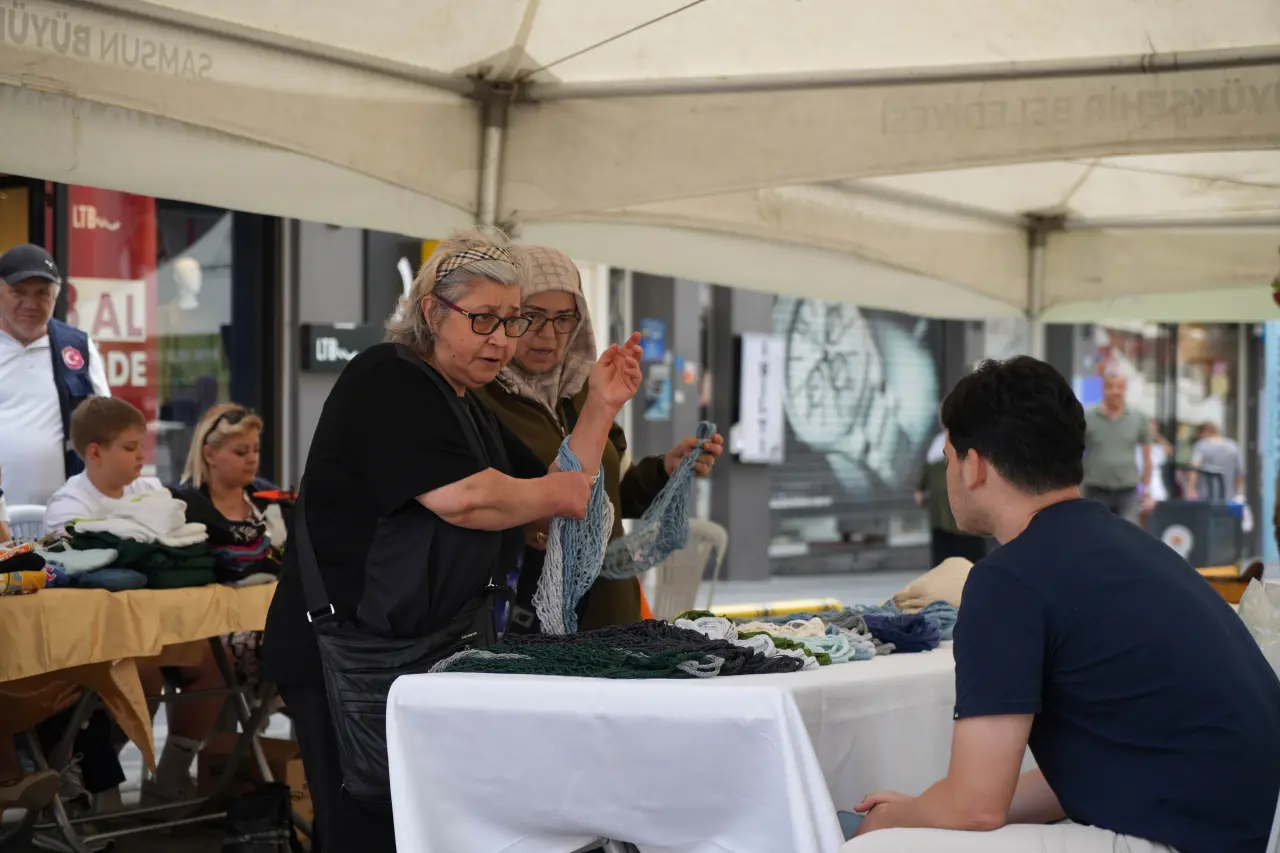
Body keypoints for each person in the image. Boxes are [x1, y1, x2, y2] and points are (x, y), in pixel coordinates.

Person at [260, 228, 642, 852]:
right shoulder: (388, 376)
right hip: (349, 654)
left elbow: (547, 495)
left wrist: (600, 406)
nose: (503, 339)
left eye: (512, 320)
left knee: (427, 827)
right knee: (369, 828)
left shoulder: (468, 402)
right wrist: (562, 495)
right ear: (433, 311)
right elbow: (467, 499)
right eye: (484, 319)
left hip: (426, 651)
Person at [845, 356, 1280, 853]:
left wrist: (897, 818)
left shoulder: (1008, 580)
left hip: (1190, 838)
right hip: (1241, 826)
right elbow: (1097, 765)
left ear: (975, 465)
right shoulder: (1136, 548)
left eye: (948, 458)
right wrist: (925, 807)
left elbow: (975, 808)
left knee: (871, 845)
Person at [475, 244, 723, 632]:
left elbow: (616, 495)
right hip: (530, 618)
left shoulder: (584, 392)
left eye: (563, 318)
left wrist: (665, 469)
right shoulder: (480, 398)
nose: (547, 335)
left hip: (611, 608)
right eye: (532, 316)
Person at [0, 243, 110, 506]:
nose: (30, 304)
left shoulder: (78, 347)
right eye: (18, 292)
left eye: (42, 293)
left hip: (64, 515)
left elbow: (106, 425)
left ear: (56, 296)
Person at [43, 397, 165, 537]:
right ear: (95, 453)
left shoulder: (151, 490)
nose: (142, 455)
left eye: (142, 445)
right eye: (130, 447)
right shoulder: (67, 509)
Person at [1081, 372, 1151, 522]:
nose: (1115, 391)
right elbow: (1075, 453)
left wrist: (1147, 489)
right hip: (1095, 488)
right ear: (1103, 389)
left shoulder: (1138, 418)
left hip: (1128, 489)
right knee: (1096, 531)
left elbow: (1147, 457)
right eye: (1110, 387)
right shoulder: (1088, 416)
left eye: (1119, 387)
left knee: (1128, 532)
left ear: (1125, 389)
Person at [916, 430, 986, 565]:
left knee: (968, 542)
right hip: (940, 508)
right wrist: (920, 488)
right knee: (944, 545)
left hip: (964, 504)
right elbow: (927, 469)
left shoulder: (968, 436)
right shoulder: (938, 441)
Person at [1186, 420, 1245, 502]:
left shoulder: (1201, 446)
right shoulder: (1233, 447)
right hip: (1227, 497)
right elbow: (1240, 474)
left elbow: (1194, 469)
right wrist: (1236, 492)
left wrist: (1191, 489)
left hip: (1205, 497)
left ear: (1205, 432)